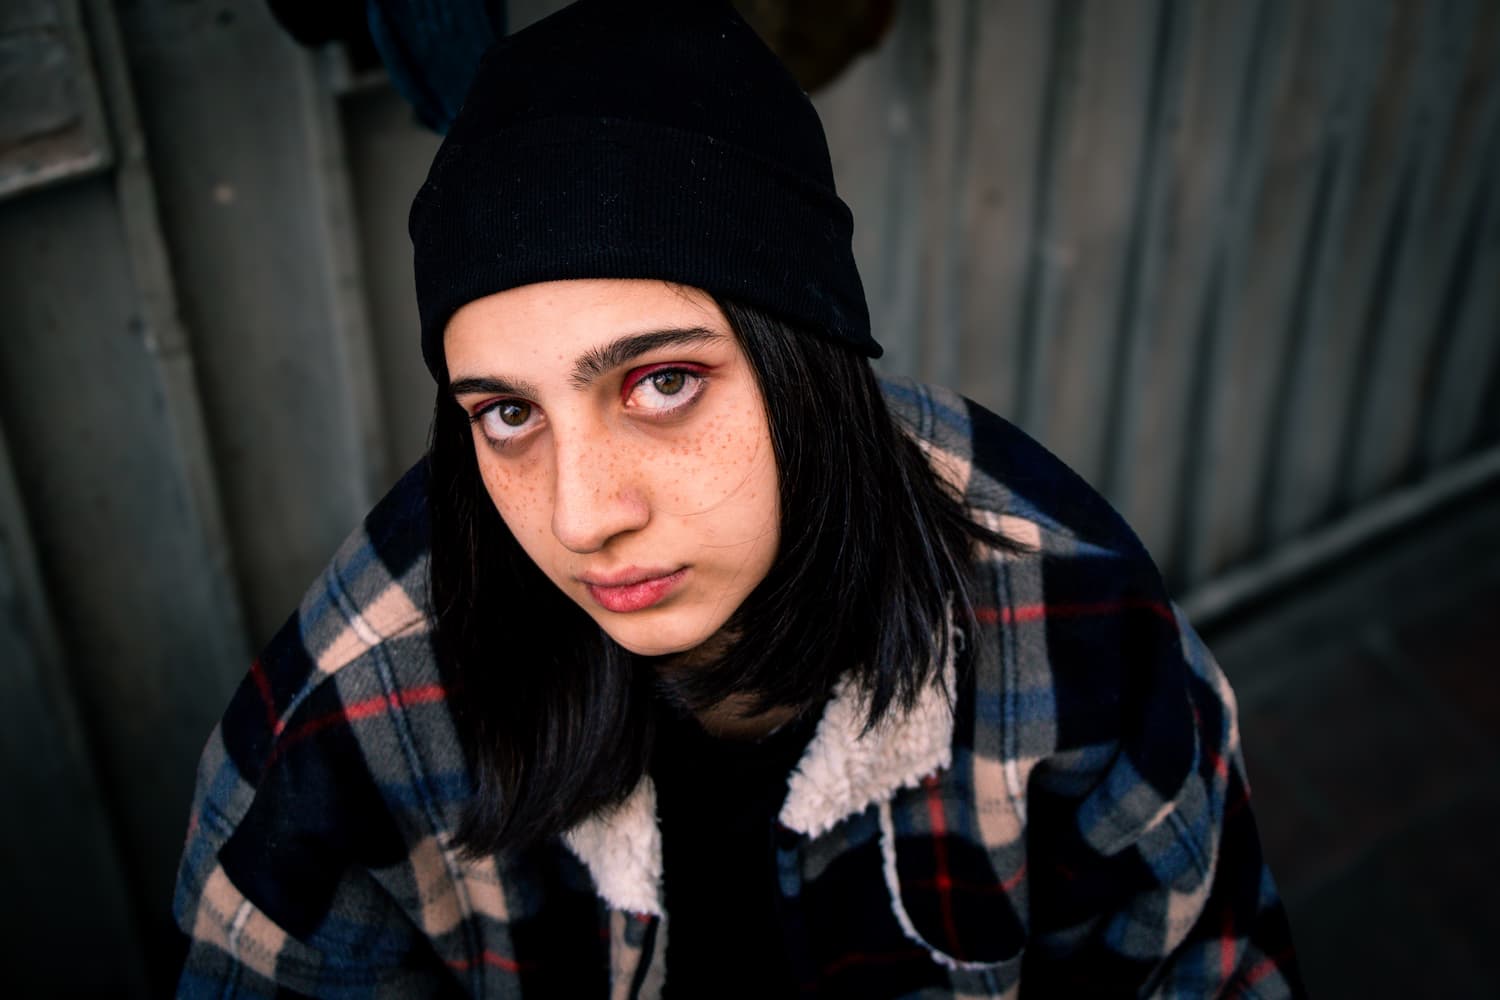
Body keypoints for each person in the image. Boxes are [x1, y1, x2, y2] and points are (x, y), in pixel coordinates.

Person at [172, 1, 1304, 996]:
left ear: (807, 362)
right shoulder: (355, 712)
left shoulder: (1061, 605)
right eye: (507, 414)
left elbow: (1201, 960)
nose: (581, 516)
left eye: (661, 382)